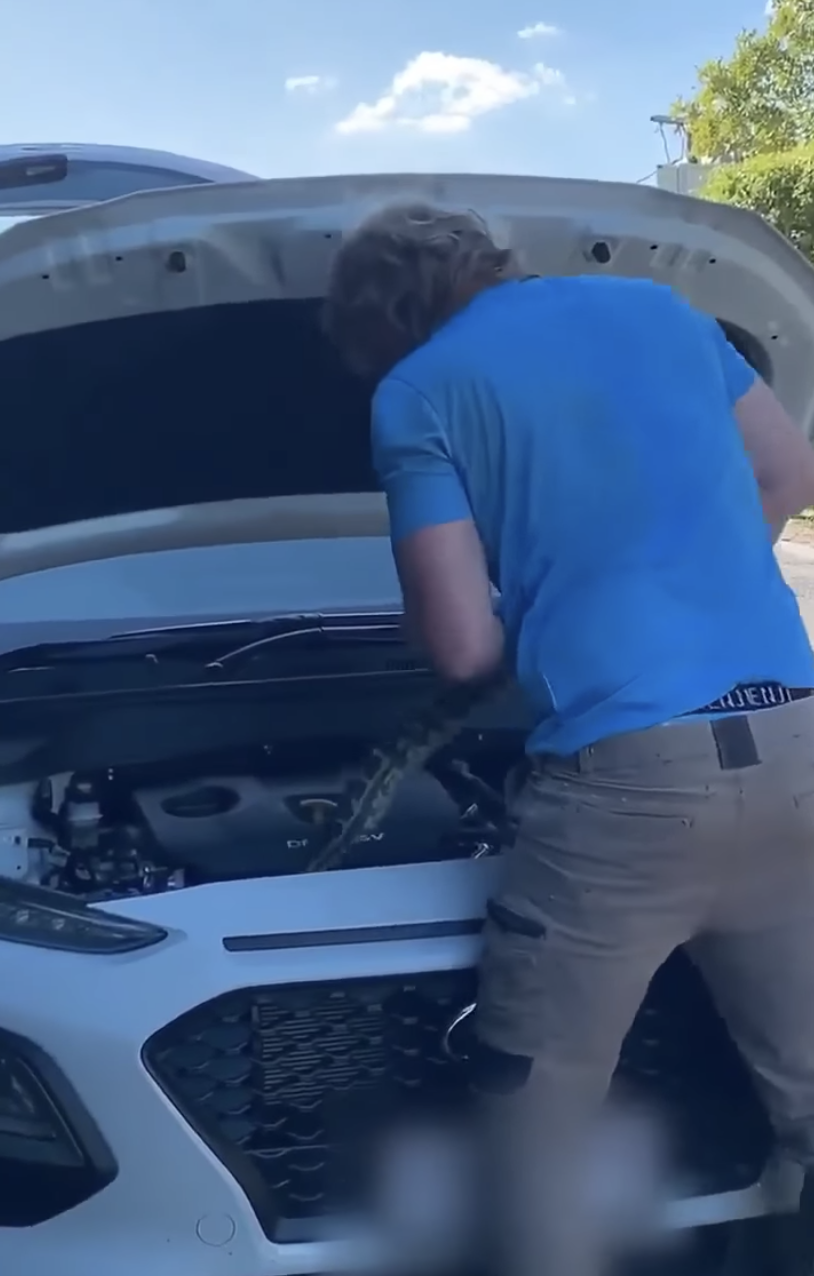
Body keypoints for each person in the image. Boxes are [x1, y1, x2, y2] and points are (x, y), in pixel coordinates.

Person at [324, 202, 814, 1276]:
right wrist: (679, 585)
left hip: (629, 797)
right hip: (792, 745)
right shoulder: (661, 308)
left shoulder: (419, 389)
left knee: (535, 1131)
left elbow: (458, 647)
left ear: (380, 324)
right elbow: (787, 472)